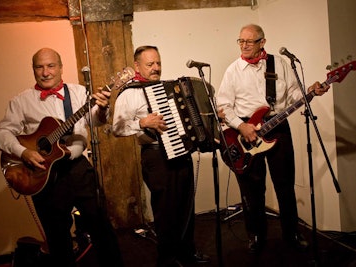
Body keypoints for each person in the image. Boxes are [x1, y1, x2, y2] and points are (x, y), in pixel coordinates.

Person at [0, 48, 123, 267]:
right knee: (57, 237)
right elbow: (0, 134)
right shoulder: (22, 101)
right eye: (39, 67)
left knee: (101, 226)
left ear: (61, 67)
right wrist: (24, 152)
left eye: (51, 66)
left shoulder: (80, 93)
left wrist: (102, 108)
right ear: (33, 69)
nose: (45, 72)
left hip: (78, 169)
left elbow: (97, 122)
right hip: (43, 175)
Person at [216, 24, 330, 253]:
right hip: (246, 133)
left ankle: (292, 233)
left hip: (278, 126)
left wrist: (311, 91)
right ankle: (256, 235)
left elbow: (295, 94)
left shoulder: (280, 63)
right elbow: (223, 107)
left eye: (249, 41)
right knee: (253, 190)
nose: (244, 45)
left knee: (285, 185)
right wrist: (241, 126)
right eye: (241, 41)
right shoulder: (233, 70)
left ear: (262, 42)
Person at [112, 45, 210, 267]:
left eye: (158, 63)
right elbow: (117, 128)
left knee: (186, 206)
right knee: (165, 210)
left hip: (180, 151)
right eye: (150, 64)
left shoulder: (167, 88)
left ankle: (187, 252)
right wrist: (142, 122)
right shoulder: (129, 93)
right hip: (155, 157)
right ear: (137, 66)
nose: (156, 68)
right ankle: (167, 259)